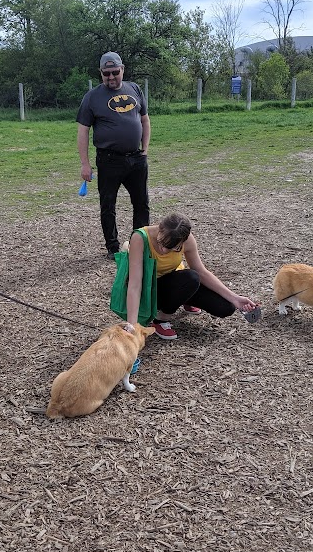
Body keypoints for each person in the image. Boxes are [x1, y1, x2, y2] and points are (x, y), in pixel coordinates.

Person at [126, 213, 260, 340]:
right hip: (151, 289)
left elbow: (201, 272)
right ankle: (161, 319)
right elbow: (135, 284)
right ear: (160, 228)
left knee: (226, 307)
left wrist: (235, 298)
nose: (164, 250)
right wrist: (132, 326)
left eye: (174, 248)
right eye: (162, 243)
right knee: (191, 278)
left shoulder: (187, 240)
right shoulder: (140, 237)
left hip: (177, 283)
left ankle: (182, 298)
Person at [77, 51, 151, 259]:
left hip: (136, 158)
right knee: (108, 205)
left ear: (122, 70)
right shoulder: (92, 97)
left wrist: (145, 149)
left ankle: (139, 245)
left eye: (115, 72)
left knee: (142, 203)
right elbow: (83, 131)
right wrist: (85, 164)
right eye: (106, 73)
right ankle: (112, 247)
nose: (111, 77)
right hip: (109, 160)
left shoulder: (134, 89)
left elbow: (145, 120)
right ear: (101, 73)